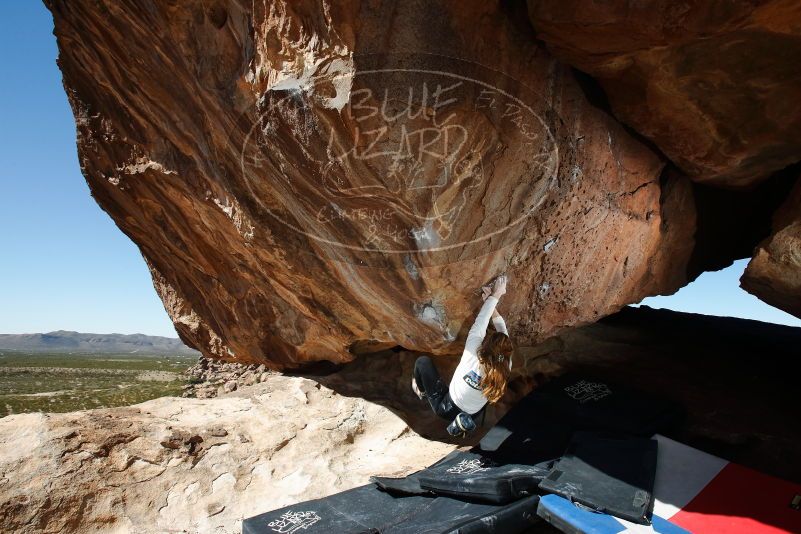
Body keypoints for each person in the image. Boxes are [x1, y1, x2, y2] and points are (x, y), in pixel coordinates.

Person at [412, 274, 513, 435]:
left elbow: (484, 322)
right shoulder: (504, 364)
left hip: (446, 407)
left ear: (486, 345)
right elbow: (501, 328)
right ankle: (464, 422)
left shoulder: (473, 351)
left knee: (422, 362)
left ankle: (421, 390)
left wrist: (496, 295)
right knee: (491, 386)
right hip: (473, 412)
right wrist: (491, 299)